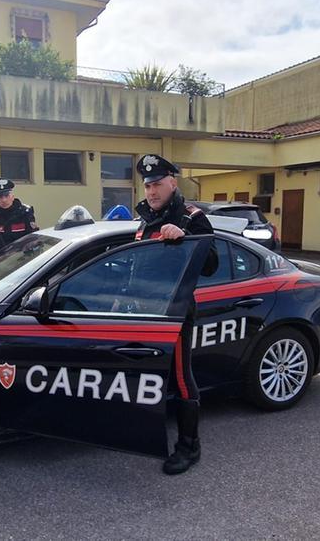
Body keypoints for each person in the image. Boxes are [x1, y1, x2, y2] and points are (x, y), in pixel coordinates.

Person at [134, 153, 214, 475]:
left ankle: (189, 446)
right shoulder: (144, 219)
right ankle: (145, 431)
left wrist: (185, 241)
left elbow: (211, 266)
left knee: (181, 378)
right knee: (148, 375)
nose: (151, 191)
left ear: (172, 182)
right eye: (147, 185)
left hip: (174, 313)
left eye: (157, 184)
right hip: (141, 312)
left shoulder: (191, 218)